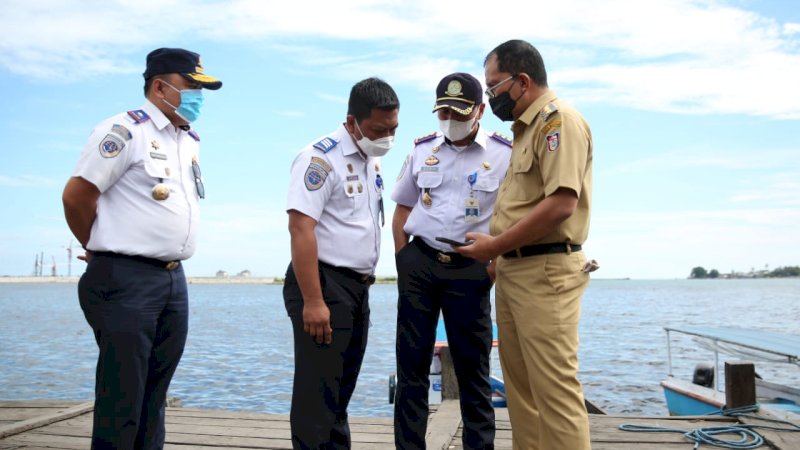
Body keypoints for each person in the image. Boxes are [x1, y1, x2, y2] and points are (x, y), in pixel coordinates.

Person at [61, 48, 222, 449]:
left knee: (155, 395)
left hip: (172, 279)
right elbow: (76, 197)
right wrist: (97, 247)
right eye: (192, 87)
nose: (198, 97)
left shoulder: (187, 140)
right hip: (126, 279)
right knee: (122, 396)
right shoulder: (125, 131)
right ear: (160, 86)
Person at [456, 39, 594, 450]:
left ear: (522, 81)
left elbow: (561, 205)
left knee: (554, 391)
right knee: (522, 394)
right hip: (515, 270)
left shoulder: (559, 122)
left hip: (546, 272)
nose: (491, 95)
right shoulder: (525, 130)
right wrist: (500, 254)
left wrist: (494, 245)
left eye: (494, 86)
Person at [391, 72, 511, 450]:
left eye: (459, 113)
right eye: (444, 112)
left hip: (470, 268)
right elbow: (401, 210)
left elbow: (512, 217)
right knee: (411, 371)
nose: (451, 120)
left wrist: (491, 266)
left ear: (479, 110)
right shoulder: (422, 149)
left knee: (474, 371)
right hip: (421, 263)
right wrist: (403, 260)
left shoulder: (505, 154)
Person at [284, 77, 399, 450]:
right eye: (379, 129)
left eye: (393, 128)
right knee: (317, 396)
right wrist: (314, 302)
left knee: (341, 393)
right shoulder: (319, 158)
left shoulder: (371, 161)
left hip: (356, 288)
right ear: (352, 122)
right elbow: (301, 229)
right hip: (324, 284)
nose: (387, 137)